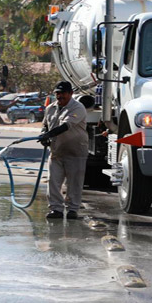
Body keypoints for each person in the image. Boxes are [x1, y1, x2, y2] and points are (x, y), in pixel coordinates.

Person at [38, 81, 88, 219]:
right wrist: (44, 134)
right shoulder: (50, 108)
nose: (59, 96)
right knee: (53, 181)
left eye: (63, 93)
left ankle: (72, 209)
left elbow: (67, 125)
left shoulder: (78, 108)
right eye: (57, 93)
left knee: (74, 182)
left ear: (70, 94)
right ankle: (56, 209)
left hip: (75, 151)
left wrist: (49, 134)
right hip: (56, 151)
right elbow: (45, 125)